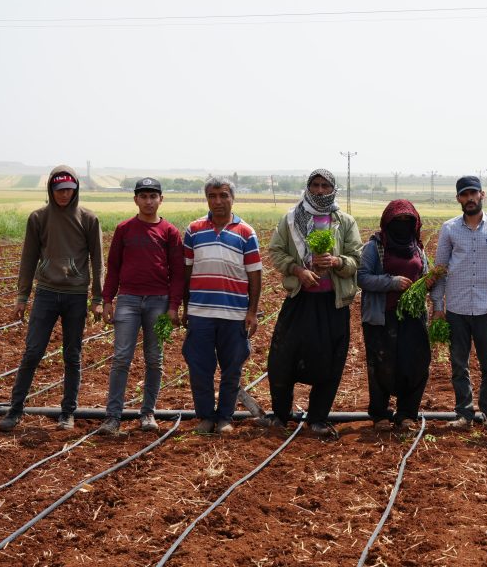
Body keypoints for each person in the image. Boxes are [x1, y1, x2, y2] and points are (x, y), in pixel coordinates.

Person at [0, 166, 104, 432]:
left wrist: (98, 297)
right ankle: (15, 409)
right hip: (46, 293)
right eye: (58, 190)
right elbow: (28, 257)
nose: (63, 195)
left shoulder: (89, 219)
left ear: (76, 189)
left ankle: (68, 412)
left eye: (68, 189)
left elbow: (98, 260)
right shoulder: (38, 218)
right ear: (51, 190)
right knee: (33, 352)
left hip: (75, 296)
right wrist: (22, 296)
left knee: (72, 354)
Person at [266, 169, 361, 436]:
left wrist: (337, 262)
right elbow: (276, 250)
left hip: (333, 305)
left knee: (330, 362)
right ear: (309, 187)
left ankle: (318, 418)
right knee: (282, 359)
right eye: (315, 185)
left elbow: (357, 258)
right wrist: (298, 270)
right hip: (300, 301)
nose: (320, 190)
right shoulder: (291, 218)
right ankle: (281, 416)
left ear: (333, 189)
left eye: (325, 185)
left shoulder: (344, 221)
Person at [98, 178, 185, 435]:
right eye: (143, 196)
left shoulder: (170, 232)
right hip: (128, 301)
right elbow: (113, 267)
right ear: (135, 199)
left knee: (155, 359)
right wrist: (106, 300)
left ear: (161, 199)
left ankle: (148, 413)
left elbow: (178, 273)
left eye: (153, 196)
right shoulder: (124, 229)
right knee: (122, 358)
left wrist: (173, 307)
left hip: (158, 303)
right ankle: (113, 416)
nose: (148, 201)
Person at [430, 176, 487, 434]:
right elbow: (440, 269)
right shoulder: (449, 229)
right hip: (456, 307)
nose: (469, 199)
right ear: (458, 198)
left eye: (473, 194)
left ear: (482, 195)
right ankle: (464, 414)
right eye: (464, 195)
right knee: (459, 363)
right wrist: (437, 304)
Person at [182, 177, 262, 435]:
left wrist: (252, 311)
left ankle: (225, 417)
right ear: (207, 199)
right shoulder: (194, 230)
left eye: (223, 195)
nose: (218, 201)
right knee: (199, 367)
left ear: (232, 198)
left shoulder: (246, 233)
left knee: (232, 368)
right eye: (213, 196)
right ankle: (206, 417)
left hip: (234, 313)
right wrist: (186, 307)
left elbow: (254, 275)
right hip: (200, 312)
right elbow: (187, 271)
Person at [358, 200, 432, 431]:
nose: (402, 225)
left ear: (414, 223)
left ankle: (406, 413)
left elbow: (425, 275)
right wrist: (391, 282)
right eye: (396, 221)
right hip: (382, 316)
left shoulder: (417, 247)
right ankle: (380, 414)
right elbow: (361, 277)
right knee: (381, 364)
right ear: (386, 222)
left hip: (413, 316)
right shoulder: (375, 247)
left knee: (415, 363)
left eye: (407, 221)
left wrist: (426, 284)